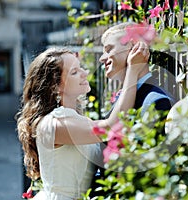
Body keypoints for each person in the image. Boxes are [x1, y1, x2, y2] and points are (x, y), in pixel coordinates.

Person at [16, 45, 149, 200]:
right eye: (74, 72)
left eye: (81, 68)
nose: (84, 73)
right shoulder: (54, 124)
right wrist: (133, 70)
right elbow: (110, 127)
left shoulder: (75, 118)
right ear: (55, 87)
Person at [89, 22, 176, 197]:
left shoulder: (156, 101)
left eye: (109, 49)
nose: (102, 58)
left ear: (134, 49)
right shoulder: (124, 98)